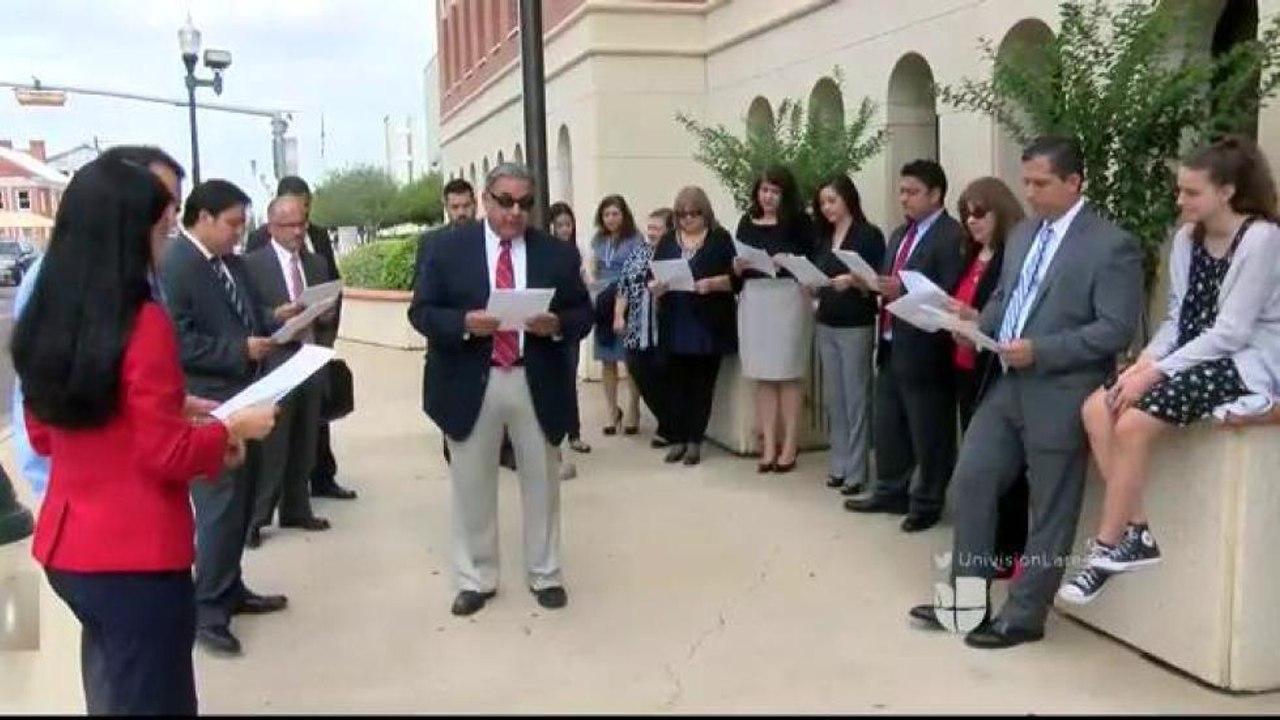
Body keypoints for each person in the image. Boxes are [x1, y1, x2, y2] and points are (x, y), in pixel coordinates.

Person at [12, 154, 277, 715]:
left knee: (114, 689)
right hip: (134, 554)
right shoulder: (141, 320)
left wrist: (168, 406)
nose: (166, 242)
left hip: (69, 546)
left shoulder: (49, 310)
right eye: (162, 228)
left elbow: (45, 431)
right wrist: (230, 428)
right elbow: (166, 453)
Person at [908, 136, 1143, 649]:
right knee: (971, 481)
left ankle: (1025, 614)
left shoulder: (1111, 244)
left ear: (1074, 182)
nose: (1030, 192)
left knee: (1052, 507)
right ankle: (965, 604)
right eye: (1026, 181)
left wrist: (1043, 350)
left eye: (1041, 183)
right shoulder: (1022, 235)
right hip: (1005, 384)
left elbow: (1114, 329)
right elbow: (1003, 296)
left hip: (1061, 391)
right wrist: (972, 323)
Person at [1061, 136, 1280, 604]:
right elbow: (1178, 318)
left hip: (1243, 360)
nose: (1180, 201)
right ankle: (1136, 531)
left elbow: (1232, 332)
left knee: (1136, 423)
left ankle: (1105, 546)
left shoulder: (1261, 239)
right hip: (1192, 354)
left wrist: (1156, 374)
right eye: (1179, 191)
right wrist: (1145, 361)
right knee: (1098, 408)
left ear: (1226, 192)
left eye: (1191, 192)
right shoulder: (1186, 238)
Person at [408, 163, 592, 617]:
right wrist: (463, 323)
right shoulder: (446, 248)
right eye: (505, 201)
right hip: (473, 377)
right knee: (471, 485)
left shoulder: (557, 254)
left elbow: (583, 314)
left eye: (525, 203)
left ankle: (546, 573)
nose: (515, 212)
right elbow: (421, 312)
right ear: (486, 199)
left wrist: (557, 325)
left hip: (536, 377)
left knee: (543, 482)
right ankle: (476, 578)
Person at [10, 145, 187, 502]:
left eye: (173, 207)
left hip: (131, 491)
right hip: (89, 501)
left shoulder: (142, 279)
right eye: (159, 203)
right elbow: (39, 406)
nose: (168, 218)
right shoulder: (53, 281)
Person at [159, 179, 291, 657]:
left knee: (241, 502)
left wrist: (280, 319)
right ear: (203, 218)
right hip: (207, 404)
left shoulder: (230, 263)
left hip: (247, 395)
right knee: (217, 509)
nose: (240, 233)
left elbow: (250, 315)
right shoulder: (176, 265)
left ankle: (230, 586)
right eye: (233, 224)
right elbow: (177, 341)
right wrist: (238, 349)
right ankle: (208, 610)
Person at [847, 159, 966, 533]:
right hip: (891, 340)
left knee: (929, 429)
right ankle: (891, 488)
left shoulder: (952, 236)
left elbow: (950, 291)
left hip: (928, 349)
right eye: (902, 191)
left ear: (935, 194)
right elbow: (891, 281)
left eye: (912, 192)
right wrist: (873, 284)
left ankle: (928, 500)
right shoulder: (900, 234)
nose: (905, 199)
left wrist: (905, 288)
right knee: (889, 424)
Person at [246, 176, 354, 501]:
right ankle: (260, 513)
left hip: (311, 355)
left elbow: (333, 293)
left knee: (312, 433)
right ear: (272, 226)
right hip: (276, 359)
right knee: (274, 442)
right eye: (290, 224)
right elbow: (250, 309)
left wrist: (327, 323)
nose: (298, 231)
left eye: (302, 222)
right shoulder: (253, 259)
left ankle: (301, 504)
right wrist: (274, 317)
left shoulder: (317, 254)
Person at [952, 177, 1030, 581]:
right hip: (966, 363)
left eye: (980, 212)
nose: (972, 220)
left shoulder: (1010, 256)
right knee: (975, 465)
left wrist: (968, 317)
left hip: (994, 368)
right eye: (966, 213)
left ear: (1001, 211)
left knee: (1002, 468)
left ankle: (1009, 548)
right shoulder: (972, 254)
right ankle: (984, 546)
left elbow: (999, 310)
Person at [732, 165, 816, 474]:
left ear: (785, 194)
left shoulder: (799, 222)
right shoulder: (746, 221)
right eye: (764, 190)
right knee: (764, 374)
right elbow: (736, 263)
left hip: (788, 296)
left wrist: (791, 263)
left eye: (775, 191)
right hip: (756, 297)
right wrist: (738, 266)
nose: (768, 197)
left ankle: (790, 443)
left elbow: (813, 258)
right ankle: (768, 444)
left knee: (788, 371)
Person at [805, 175, 885, 496]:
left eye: (832, 201)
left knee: (856, 398)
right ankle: (838, 463)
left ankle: (857, 470)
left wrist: (854, 281)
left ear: (848, 199)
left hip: (856, 322)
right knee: (835, 399)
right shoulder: (824, 238)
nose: (827, 208)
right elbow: (818, 273)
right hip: (827, 320)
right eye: (823, 203)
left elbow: (878, 282)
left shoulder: (868, 235)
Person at [650, 186, 738, 467]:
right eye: (681, 214)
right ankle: (677, 437)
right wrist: (656, 286)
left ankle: (694, 441)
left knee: (701, 384)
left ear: (705, 213)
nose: (687, 219)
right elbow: (650, 275)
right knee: (675, 382)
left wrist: (711, 284)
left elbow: (736, 279)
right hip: (675, 318)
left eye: (693, 214)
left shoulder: (720, 239)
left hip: (707, 321)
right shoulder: (667, 241)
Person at [615, 208, 676, 449]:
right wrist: (619, 315)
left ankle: (670, 426)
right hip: (636, 329)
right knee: (639, 371)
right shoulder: (638, 253)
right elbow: (624, 286)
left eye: (657, 228)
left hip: (662, 329)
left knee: (663, 377)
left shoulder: (672, 255)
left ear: (669, 231)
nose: (650, 233)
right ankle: (669, 422)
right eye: (649, 228)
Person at [589, 195, 644, 436]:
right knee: (607, 359)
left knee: (629, 360)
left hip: (627, 299)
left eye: (615, 214)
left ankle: (633, 409)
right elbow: (593, 267)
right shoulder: (598, 240)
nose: (611, 219)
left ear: (624, 215)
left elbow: (637, 269)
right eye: (606, 214)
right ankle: (612, 411)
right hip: (603, 301)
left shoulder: (635, 240)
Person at [548, 201, 591, 456]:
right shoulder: (544, 253)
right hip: (545, 320)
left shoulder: (576, 252)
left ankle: (573, 432)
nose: (564, 229)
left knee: (568, 378)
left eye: (568, 224)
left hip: (567, 323)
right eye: (559, 224)